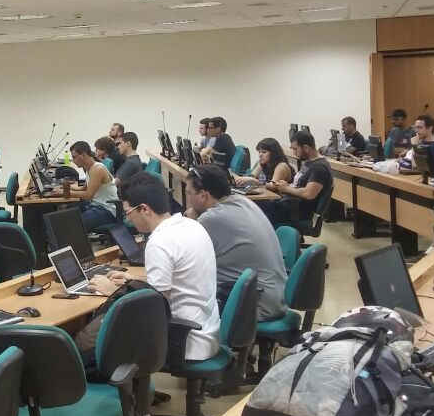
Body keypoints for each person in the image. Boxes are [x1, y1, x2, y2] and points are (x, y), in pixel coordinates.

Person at [80, 173, 220, 361]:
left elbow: (151, 308)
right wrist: (133, 282)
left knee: (90, 351)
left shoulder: (160, 242)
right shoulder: (192, 226)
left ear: (144, 209)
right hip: (206, 331)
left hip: (184, 339)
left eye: (129, 212)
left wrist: (113, 291)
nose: (129, 220)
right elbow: (173, 284)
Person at [186, 166, 287, 322]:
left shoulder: (212, 218)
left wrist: (191, 220)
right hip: (274, 297)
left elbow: (184, 256)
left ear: (203, 196)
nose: (188, 199)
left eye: (189, 193)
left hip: (258, 305)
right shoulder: (242, 201)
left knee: (181, 304)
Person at [265, 130, 333, 227]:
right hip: (291, 206)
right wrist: (286, 186)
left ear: (306, 148)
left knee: (259, 211)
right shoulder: (309, 162)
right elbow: (299, 186)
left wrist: (286, 188)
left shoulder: (319, 168)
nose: (294, 153)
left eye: (295, 149)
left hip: (298, 214)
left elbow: (309, 194)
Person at [68, 140, 119, 230]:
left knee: (75, 224)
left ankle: (78, 243)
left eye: (74, 157)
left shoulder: (97, 169)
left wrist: (68, 192)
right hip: (97, 206)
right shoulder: (88, 168)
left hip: (107, 210)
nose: (73, 160)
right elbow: (84, 188)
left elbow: (88, 195)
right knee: (68, 212)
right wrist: (67, 187)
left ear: (83, 155)